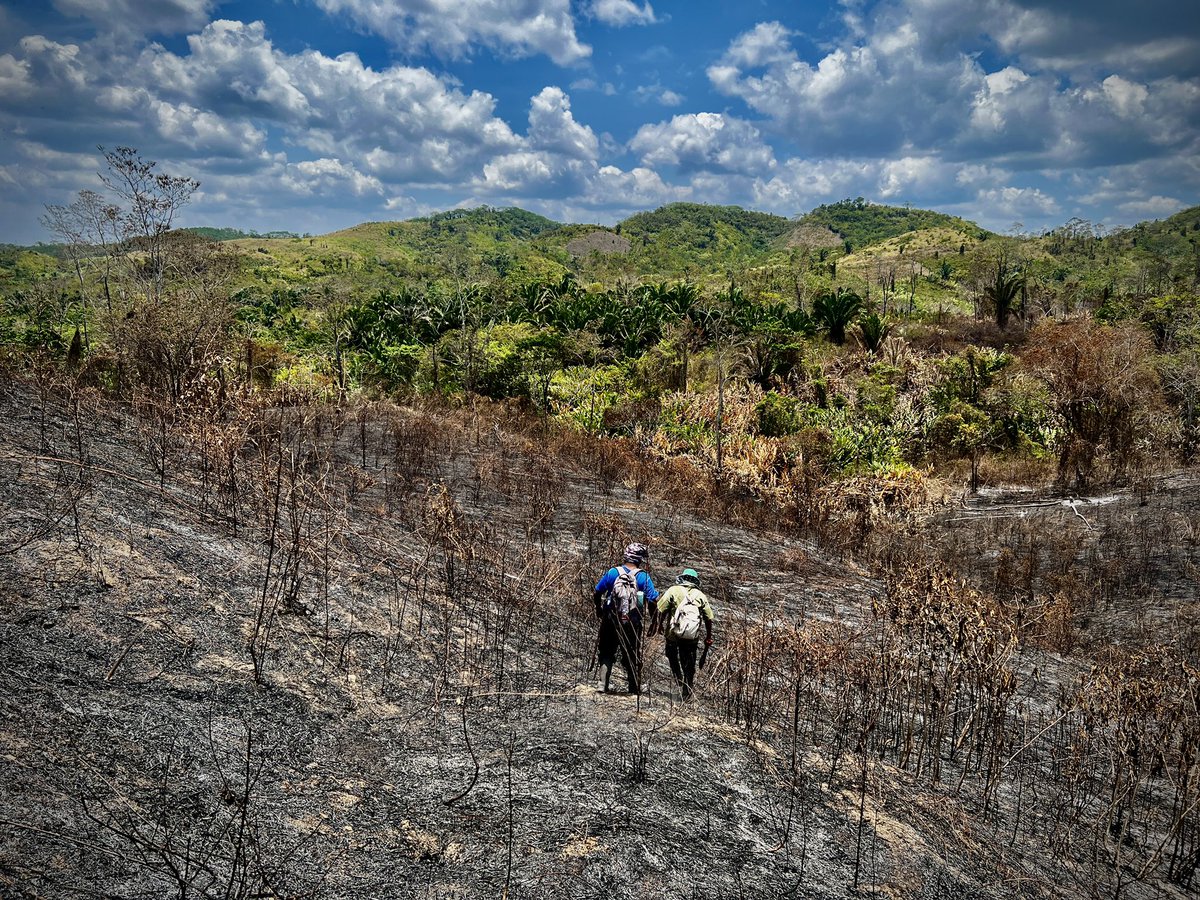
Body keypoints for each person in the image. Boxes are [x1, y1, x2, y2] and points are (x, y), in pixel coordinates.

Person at [592, 543, 659, 695]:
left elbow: (597, 592)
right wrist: (654, 621)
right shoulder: (643, 577)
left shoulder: (612, 572)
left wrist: (599, 609)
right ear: (640, 559)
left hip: (610, 619)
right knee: (631, 652)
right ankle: (634, 687)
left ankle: (602, 684)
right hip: (632, 622)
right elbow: (653, 601)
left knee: (607, 651)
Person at [651, 568, 714, 700]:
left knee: (671, 654)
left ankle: (678, 677)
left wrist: (659, 625)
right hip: (692, 636)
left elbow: (661, 609)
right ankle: (687, 690)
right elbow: (709, 618)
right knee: (689, 662)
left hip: (673, 633)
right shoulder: (701, 595)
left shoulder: (673, 590)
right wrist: (708, 636)